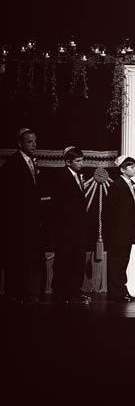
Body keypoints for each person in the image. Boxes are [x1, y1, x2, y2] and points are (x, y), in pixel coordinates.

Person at [1, 128, 44, 303]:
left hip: (30, 221)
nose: (34, 145)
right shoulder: (13, 163)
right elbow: (10, 195)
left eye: (35, 141)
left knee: (28, 257)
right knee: (16, 257)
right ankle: (14, 293)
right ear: (20, 144)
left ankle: (26, 292)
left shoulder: (32, 162)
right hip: (17, 221)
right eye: (29, 141)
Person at [51, 146, 90, 304]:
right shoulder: (61, 177)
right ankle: (62, 292)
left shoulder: (79, 176)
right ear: (68, 162)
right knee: (64, 261)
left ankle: (75, 290)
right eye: (78, 161)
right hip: (66, 229)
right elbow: (59, 205)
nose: (81, 163)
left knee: (78, 261)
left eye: (82, 160)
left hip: (78, 228)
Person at [104, 155, 135, 302]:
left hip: (127, 232)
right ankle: (116, 292)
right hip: (118, 233)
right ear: (122, 169)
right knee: (117, 262)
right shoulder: (117, 185)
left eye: (134, 166)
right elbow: (109, 210)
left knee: (123, 262)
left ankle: (121, 290)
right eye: (131, 167)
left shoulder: (130, 183)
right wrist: (112, 233)